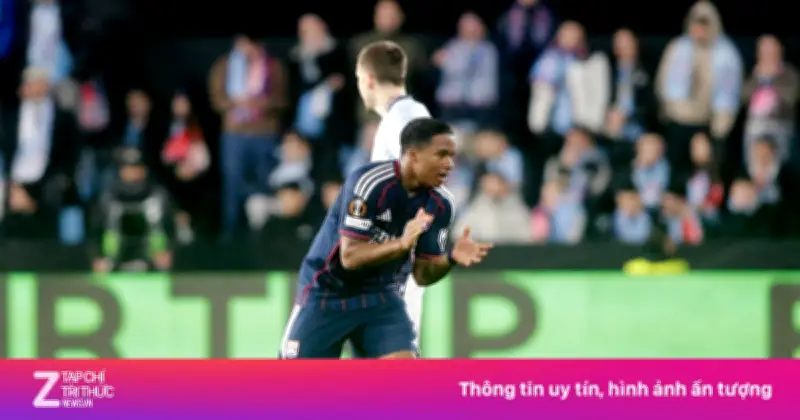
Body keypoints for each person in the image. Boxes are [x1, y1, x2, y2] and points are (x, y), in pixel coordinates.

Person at [279, 118, 491, 359]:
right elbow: (350, 257)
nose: (449, 164)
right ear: (413, 155)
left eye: (452, 156)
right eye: (441, 155)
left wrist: (450, 258)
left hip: (381, 296)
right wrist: (401, 243)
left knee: (402, 376)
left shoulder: (441, 204)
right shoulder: (370, 183)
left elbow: (423, 275)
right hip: (329, 292)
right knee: (298, 381)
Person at [353, 40, 436, 356]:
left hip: (398, 255)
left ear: (368, 79)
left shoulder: (406, 115)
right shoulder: (402, 115)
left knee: (396, 352)